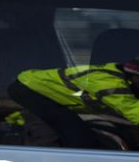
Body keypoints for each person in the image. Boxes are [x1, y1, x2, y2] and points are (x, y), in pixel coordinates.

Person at [8, 59, 139, 148]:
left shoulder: (120, 78)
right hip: (29, 87)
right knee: (79, 137)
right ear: (133, 76)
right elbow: (131, 109)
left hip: (32, 87)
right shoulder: (108, 81)